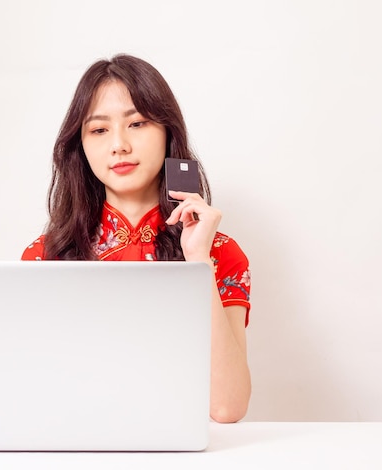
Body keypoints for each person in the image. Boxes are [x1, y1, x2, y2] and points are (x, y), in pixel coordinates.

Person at [21, 54, 251, 423]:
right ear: (80, 148)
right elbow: (33, 394)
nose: (119, 145)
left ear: (168, 134)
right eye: (98, 130)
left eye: (138, 123)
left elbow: (226, 408)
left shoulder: (218, 253)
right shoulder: (45, 256)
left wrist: (198, 262)